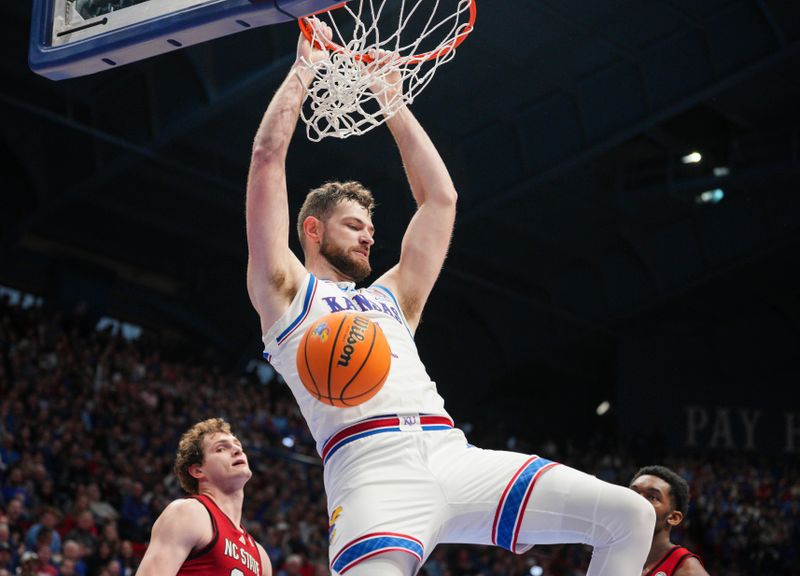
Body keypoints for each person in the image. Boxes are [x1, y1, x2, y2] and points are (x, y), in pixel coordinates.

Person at [245, 21, 655, 576]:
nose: (368, 237)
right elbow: (267, 156)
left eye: (370, 228)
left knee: (630, 515)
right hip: (370, 469)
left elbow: (441, 199)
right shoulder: (287, 291)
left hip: (450, 452)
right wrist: (304, 68)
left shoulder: (391, 298)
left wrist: (390, 99)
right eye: (353, 226)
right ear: (312, 230)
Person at [136, 418, 271, 576]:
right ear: (198, 471)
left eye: (238, 446)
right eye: (221, 449)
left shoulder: (261, 559)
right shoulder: (188, 513)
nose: (237, 450)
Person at [629, 466, 709, 576]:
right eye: (633, 493)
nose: (637, 500)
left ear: (674, 518)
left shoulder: (687, 569)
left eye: (652, 497)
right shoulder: (608, 550)